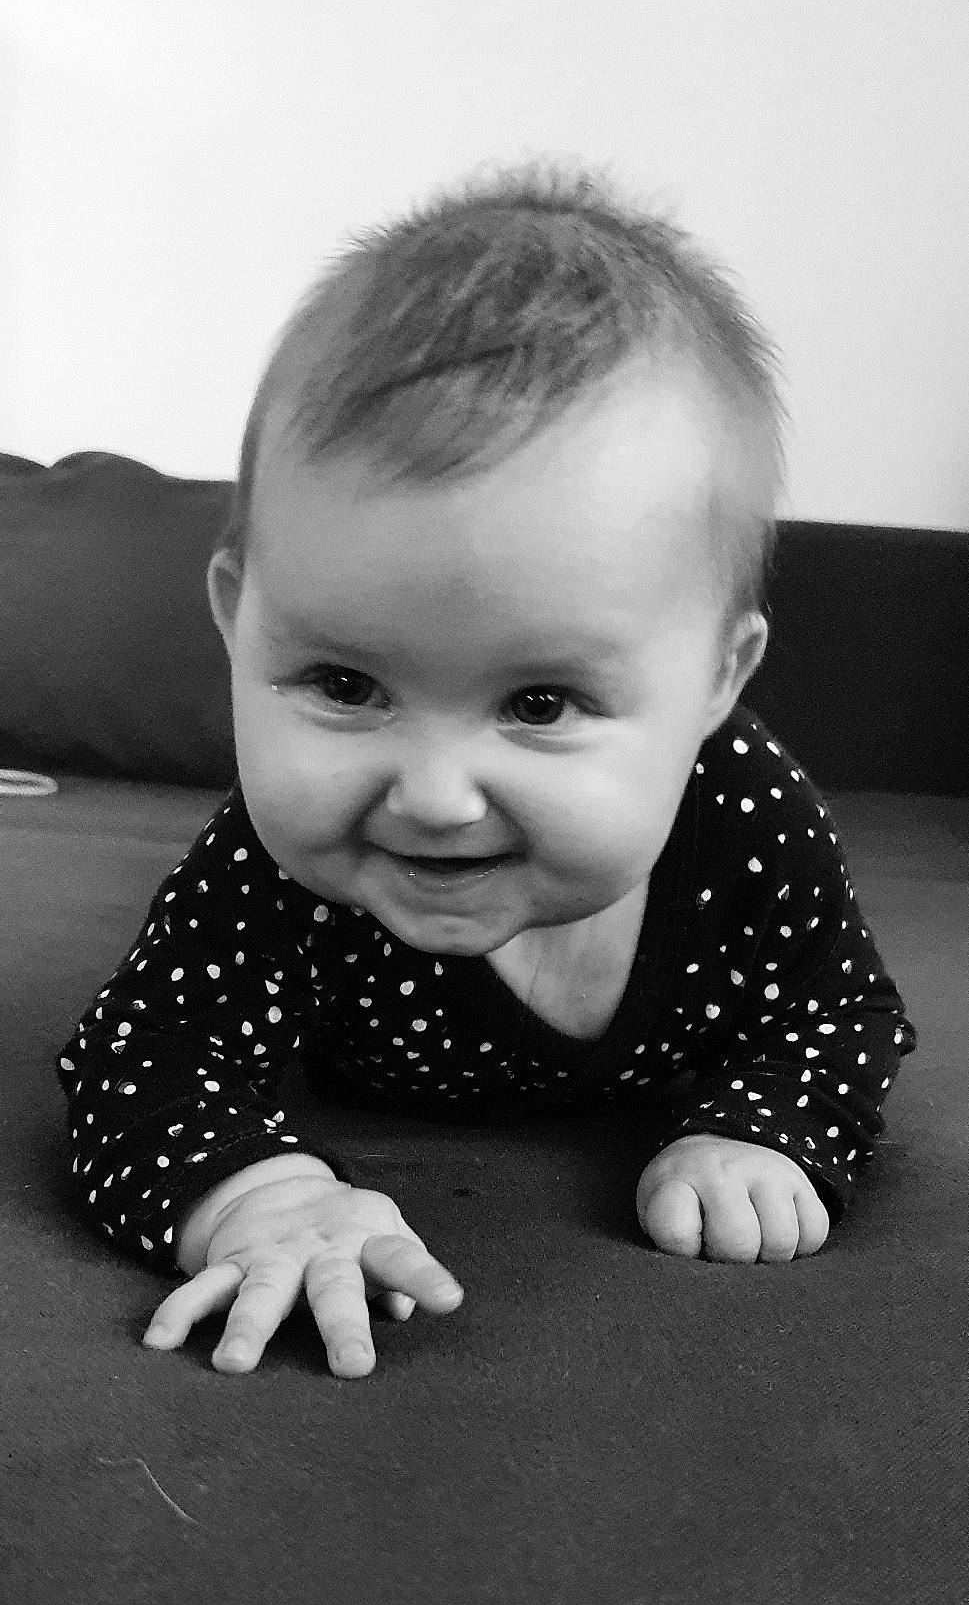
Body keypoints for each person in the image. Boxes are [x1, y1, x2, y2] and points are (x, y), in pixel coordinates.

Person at [55, 157, 917, 1381]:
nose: (433, 795)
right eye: (346, 685)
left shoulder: (746, 816)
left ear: (716, 682)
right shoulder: (271, 856)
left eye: (540, 702)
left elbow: (834, 1016)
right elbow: (146, 1055)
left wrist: (762, 1130)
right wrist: (257, 1195)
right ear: (238, 620)